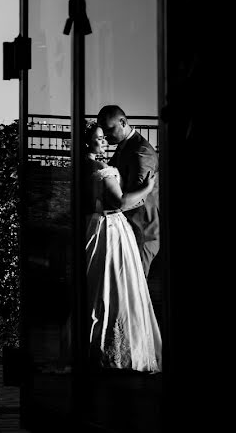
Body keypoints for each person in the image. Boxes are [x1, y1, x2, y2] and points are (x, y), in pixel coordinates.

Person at [84, 122, 161, 372]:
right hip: (111, 227)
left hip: (97, 225)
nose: (104, 142)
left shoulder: (85, 166)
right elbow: (119, 203)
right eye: (99, 139)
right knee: (117, 284)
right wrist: (148, 188)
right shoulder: (99, 168)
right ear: (89, 142)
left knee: (99, 284)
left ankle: (99, 344)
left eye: (105, 138)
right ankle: (115, 350)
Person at [96, 105, 160, 278]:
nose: (106, 136)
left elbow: (137, 199)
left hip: (141, 232)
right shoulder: (125, 146)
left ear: (122, 122)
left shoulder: (141, 152)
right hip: (127, 227)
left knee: (135, 288)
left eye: (109, 130)